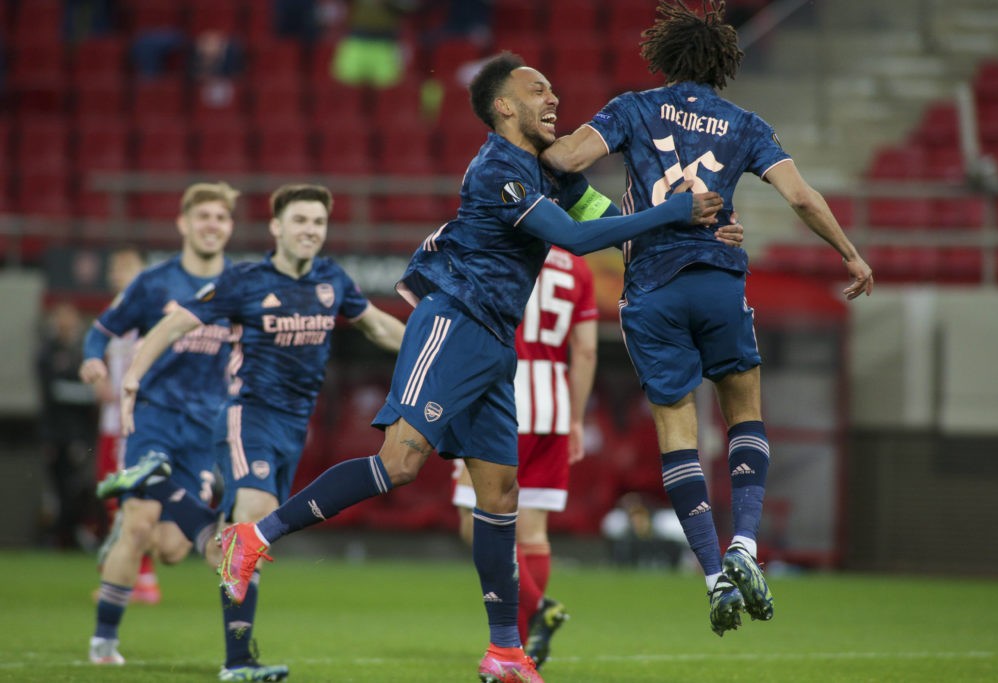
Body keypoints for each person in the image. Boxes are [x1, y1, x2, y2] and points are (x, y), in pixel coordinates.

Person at [204, 52, 742, 683]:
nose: (553, 99)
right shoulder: (498, 168)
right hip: (453, 319)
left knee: (500, 494)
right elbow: (574, 240)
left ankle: (505, 650)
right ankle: (254, 538)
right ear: (503, 106)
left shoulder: (551, 171)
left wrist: (700, 237)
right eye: (537, 89)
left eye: (553, 88)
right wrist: (677, 211)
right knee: (401, 462)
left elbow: (614, 227)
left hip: (494, 340)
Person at [540, 0, 874, 637]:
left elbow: (563, 161)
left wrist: (551, 165)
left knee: (677, 432)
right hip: (718, 278)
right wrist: (850, 254)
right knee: (745, 412)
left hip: (650, 289)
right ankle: (744, 547)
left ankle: (712, 575)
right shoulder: (746, 123)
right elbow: (801, 196)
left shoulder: (631, 108)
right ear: (723, 66)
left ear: (664, 58)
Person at [99, 183, 406, 682]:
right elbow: (175, 325)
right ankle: (238, 663)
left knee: (222, 548)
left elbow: (378, 328)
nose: (310, 231)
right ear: (276, 227)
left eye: (318, 223)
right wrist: (134, 373)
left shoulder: (333, 280)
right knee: (253, 531)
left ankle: (158, 484)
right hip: (249, 418)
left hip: (293, 428)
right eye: (300, 221)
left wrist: (432, 354)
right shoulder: (245, 280)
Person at [80, 182, 239, 666]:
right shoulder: (153, 283)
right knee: (139, 523)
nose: (211, 224)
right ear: (184, 224)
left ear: (229, 227)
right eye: (203, 216)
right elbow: (102, 329)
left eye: (220, 217)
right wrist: (93, 360)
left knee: (172, 547)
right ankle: (104, 643)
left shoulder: (241, 284)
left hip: (204, 428)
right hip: (154, 416)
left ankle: (129, 530)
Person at [451, 244, 597, 670]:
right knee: (531, 530)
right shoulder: (578, 267)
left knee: (472, 519)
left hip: (497, 400)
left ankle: (535, 611)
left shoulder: (496, 250)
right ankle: (522, 642)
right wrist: (575, 418)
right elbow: (586, 351)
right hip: (551, 406)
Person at [91, 246, 161, 604]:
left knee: (134, 499)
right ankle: (125, 569)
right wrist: (98, 379)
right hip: (110, 423)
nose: (123, 277)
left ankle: (141, 575)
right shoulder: (112, 317)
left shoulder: (148, 315)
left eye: (130, 271)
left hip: (136, 423)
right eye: (119, 271)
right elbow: (98, 358)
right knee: (112, 496)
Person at [36, 300, 101, 550]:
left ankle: (73, 534)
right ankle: (58, 537)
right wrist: (91, 394)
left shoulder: (82, 351)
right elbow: (52, 391)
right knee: (58, 490)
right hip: (56, 434)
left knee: (79, 488)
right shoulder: (48, 351)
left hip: (80, 434)